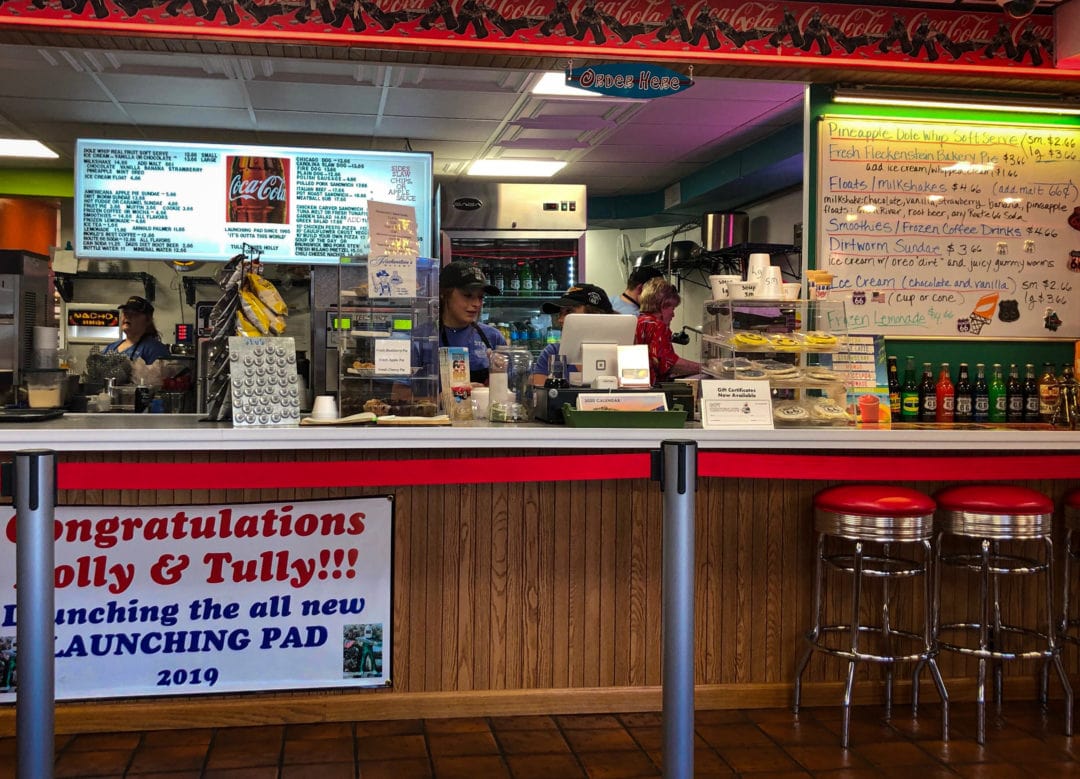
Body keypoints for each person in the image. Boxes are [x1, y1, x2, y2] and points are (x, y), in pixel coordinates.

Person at [530, 283, 613, 386]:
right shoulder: (553, 354)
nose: (560, 319)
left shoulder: (623, 356)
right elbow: (541, 398)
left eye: (569, 311)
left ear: (595, 315)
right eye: (560, 313)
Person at [437, 261, 506, 384]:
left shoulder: (493, 337)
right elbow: (400, 393)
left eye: (480, 297)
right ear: (444, 294)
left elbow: (509, 392)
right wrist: (443, 398)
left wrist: (499, 375)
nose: (476, 304)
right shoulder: (424, 339)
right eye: (468, 295)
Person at [634, 277, 700, 386]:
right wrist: (705, 368)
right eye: (672, 308)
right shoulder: (657, 326)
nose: (673, 314)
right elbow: (668, 363)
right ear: (662, 304)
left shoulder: (638, 321)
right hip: (654, 390)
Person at [102, 295, 171, 365]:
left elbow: (161, 375)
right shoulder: (110, 348)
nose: (127, 316)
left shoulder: (155, 349)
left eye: (134, 313)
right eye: (125, 312)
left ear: (148, 320)